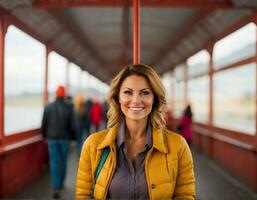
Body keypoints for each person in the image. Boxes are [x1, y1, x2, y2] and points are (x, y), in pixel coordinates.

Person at [75, 64, 195, 199]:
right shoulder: (93, 146)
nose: (136, 100)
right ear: (118, 97)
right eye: (128, 92)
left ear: (154, 99)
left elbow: (185, 196)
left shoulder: (178, 146)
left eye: (145, 92)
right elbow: (83, 196)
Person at [41, 85, 77, 199]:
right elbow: (73, 125)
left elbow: (44, 123)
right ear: (64, 94)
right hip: (65, 138)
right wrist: (74, 138)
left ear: (56, 94)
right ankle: (61, 183)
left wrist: (44, 135)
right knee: (63, 161)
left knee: (54, 161)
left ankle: (56, 186)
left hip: (52, 138)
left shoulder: (48, 106)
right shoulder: (69, 107)